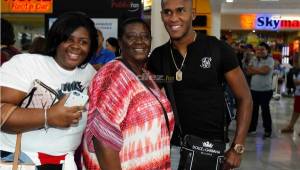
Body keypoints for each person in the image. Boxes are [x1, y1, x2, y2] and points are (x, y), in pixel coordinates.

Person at [147, 0, 252, 169]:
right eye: (167, 12)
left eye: (181, 11)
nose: (173, 18)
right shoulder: (159, 56)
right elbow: (145, 96)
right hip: (172, 147)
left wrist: (237, 148)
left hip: (209, 148)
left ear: (193, 14)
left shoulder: (217, 49)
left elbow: (245, 97)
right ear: (161, 16)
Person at [0, 11, 98, 169]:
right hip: (20, 160)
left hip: (65, 162)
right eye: (68, 39)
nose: (76, 46)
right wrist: (48, 116)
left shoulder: (90, 73)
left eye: (83, 42)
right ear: (56, 40)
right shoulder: (26, 64)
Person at [83, 18, 174, 170]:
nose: (140, 41)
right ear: (120, 42)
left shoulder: (145, 75)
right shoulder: (114, 74)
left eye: (145, 36)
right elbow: (103, 138)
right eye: (131, 37)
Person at [247, 42, 275, 138]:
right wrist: (258, 70)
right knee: (253, 110)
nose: (260, 51)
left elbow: (265, 71)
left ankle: (268, 130)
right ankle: (252, 128)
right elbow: (248, 71)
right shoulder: (253, 59)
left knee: (265, 110)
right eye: (258, 49)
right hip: (254, 89)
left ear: (267, 50)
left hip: (266, 90)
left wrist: (254, 70)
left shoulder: (270, 60)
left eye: (263, 49)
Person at [281, 62, 300, 135]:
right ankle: (291, 126)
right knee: (296, 110)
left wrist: (296, 82)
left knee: (297, 110)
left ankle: (290, 126)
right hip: (298, 92)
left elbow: (296, 82)